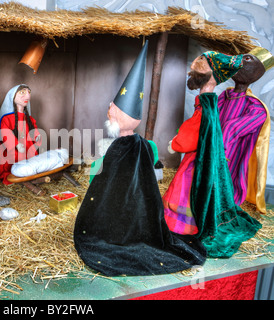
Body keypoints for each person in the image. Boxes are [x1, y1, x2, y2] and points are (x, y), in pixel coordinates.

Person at [74, 41, 207, 276]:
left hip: (118, 213)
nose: (108, 112)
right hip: (140, 209)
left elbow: (105, 179)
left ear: (119, 116)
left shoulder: (119, 147)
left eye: (112, 110)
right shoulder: (143, 144)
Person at [164, 51, 261, 258]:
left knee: (187, 191)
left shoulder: (219, 103)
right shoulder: (218, 98)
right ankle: (184, 223)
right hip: (207, 156)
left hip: (215, 158)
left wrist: (175, 143)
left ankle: (184, 226)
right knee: (191, 191)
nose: (193, 63)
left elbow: (200, 130)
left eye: (200, 61)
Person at [217, 47, 273, 214]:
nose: (238, 62)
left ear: (257, 74)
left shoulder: (256, 108)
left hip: (228, 158)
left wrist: (216, 150)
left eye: (247, 60)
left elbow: (232, 129)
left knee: (224, 184)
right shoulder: (224, 96)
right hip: (210, 151)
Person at [0, 84, 41, 185]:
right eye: (22, 92)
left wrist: (37, 137)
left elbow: (34, 130)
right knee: (12, 161)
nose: (27, 96)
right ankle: (14, 174)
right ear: (13, 96)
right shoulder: (6, 119)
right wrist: (16, 144)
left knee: (30, 162)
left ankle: (28, 173)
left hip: (27, 150)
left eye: (29, 92)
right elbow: (6, 133)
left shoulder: (30, 119)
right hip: (13, 152)